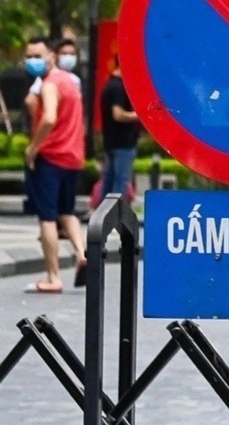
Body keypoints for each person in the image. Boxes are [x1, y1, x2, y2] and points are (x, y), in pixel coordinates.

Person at [21, 36, 87, 293]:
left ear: (51, 56)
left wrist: (33, 147)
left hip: (51, 157)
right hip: (74, 158)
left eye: (38, 55)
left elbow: (48, 117)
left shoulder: (49, 85)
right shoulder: (71, 83)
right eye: (29, 56)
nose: (32, 61)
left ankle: (53, 276)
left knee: (47, 217)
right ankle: (82, 254)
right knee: (67, 212)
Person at [99, 55, 140, 203]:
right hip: (123, 143)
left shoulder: (109, 84)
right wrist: (140, 115)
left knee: (109, 181)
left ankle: (103, 214)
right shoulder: (119, 87)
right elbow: (118, 114)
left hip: (110, 142)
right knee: (120, 181)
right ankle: (115, 215)